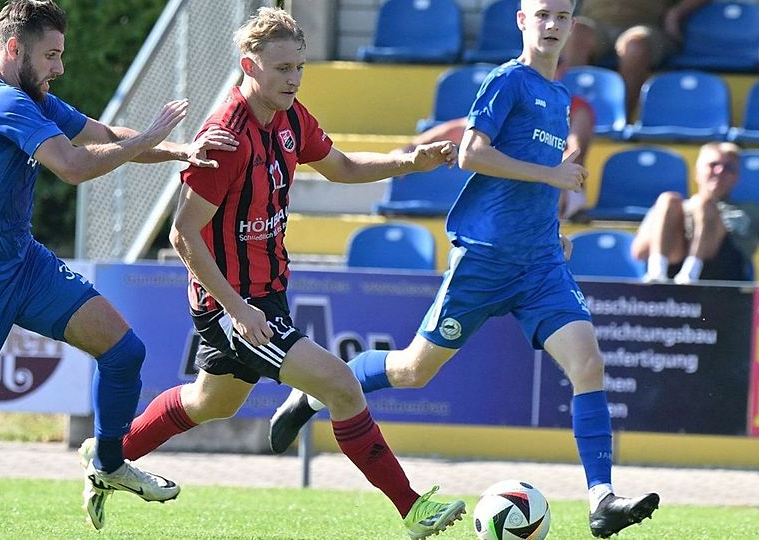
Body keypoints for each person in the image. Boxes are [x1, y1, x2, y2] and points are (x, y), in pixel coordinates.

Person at [269, 1, 660, 538]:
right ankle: (315, 391)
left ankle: (601, 499)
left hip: (539, 264)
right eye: (541, 14)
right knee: (412, 371)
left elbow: (524, 187)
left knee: (587, 363)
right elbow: (474, 153)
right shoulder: (508, 82)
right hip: (484, 259)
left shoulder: (559, 95)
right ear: (522, 21)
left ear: (573, 27)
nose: (551, 25)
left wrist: (550, 230)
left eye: (562, 17)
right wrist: (551, 176)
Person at [0, 0, 239, 526]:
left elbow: (102, 137)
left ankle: (108, 462)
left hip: (23, 264)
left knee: (124, 350)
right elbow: (74, 167)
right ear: (13, 50)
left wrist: (178, 150)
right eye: (51, 55)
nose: (58, 67)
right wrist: (148, 140)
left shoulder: (34, 100)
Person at [85, 7, 469, 538]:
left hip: (266, 295)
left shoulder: (291, 118)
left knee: (209, 402)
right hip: (232, 303)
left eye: (300, 68)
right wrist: (236, 310)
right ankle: (414, 510)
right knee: (340, 385)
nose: (293, 79)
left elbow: (342, 168)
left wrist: (409, 162)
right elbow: (182, 234)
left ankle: (106, 456)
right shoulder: (224, 136)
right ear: (250, 64)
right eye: (282, 68)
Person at [401, 92, 594, 221]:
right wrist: (407, 150)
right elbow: (460, 129)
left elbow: (573, 155)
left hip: (550, 197)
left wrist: (548, 176)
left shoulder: (570, 104)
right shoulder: (512, 94)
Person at [632, 142, 757, 284]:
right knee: (669, 199)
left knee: (703, 203)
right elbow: (639, 252)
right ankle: (656, 271)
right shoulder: (671, 208)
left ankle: (691, 271)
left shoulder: (750, 210)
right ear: (697, 172)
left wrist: (705, 209)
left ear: (737, 176)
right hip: (674, 263)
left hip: (723, 267)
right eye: (713, 165)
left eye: (728, 168)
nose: (720, 171)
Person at [562, 0, 710, 119]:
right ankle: (567, 116)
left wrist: (676, 13)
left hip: (646, 25)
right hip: (596, 24)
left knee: (634, 46)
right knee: (576, 32)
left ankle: (619, 118)